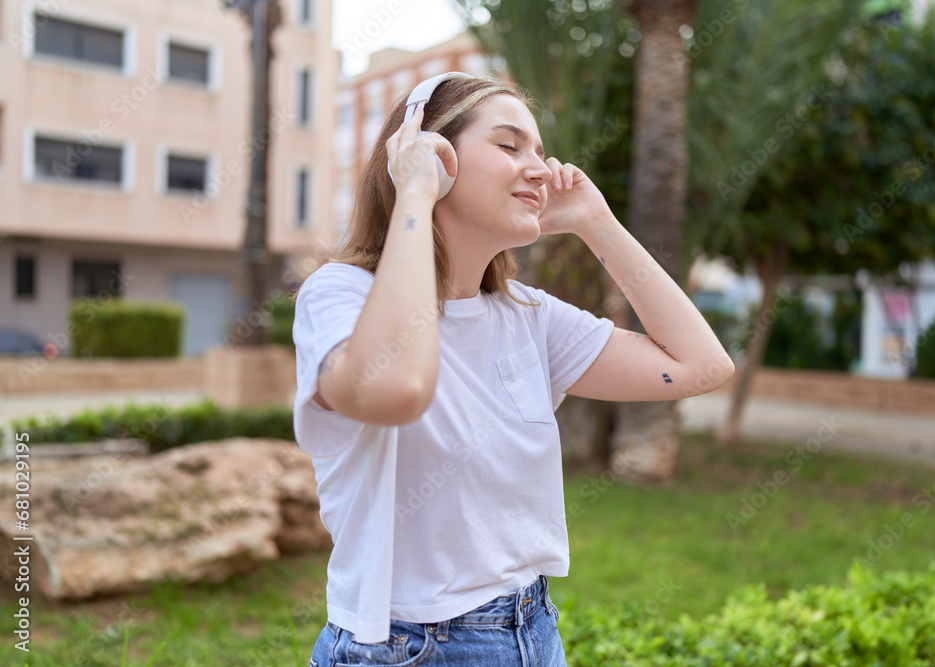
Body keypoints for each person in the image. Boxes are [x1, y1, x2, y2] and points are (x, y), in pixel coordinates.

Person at [293, 73, 735, 667]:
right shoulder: (339, 295)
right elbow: (396, 389)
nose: (542, 168)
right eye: (509, 145)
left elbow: (701, 365)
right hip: (409, 646)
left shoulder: (527, 316)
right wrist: (415, 194)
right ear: (426, 152)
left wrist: (595, 221)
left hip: (533, 631)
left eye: (537, 148)